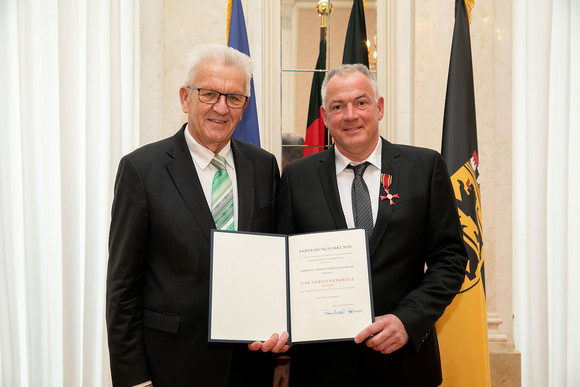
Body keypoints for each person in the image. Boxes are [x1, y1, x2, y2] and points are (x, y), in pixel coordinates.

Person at [275, 64, 468, 386]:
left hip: (404, 362)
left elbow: (449, 259)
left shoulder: (425, 167)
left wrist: (407, 320)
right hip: (323, 366)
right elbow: (282, 265)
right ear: (324, 117)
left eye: (361, 102)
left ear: (378, 108)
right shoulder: (297, 178)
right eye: (338, 106)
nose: (350, 115)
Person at [106, 44, 279, 387]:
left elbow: (275, 261)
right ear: (185, 98)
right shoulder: (142, 171)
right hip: (170, 366)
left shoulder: (263, 166)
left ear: (245, 106)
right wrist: (134, 380)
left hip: (250, 365)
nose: (221, 108)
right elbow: (123, 289)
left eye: (234, 97)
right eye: (209, 94)